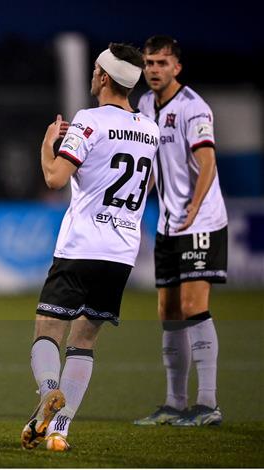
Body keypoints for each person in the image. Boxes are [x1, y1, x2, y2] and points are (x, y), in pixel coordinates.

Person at [21, 43, 159, 452]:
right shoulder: (149, 129)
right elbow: (148, 185)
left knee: (48, 331)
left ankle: (48, 392)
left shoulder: (89, 121)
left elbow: (54, 178)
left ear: (102, 76)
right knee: (85, 342)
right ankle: (58, 431)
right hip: (120, 253)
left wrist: (47, 144)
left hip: (81, 245)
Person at [134, 36, 227, 427]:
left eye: (161, 63)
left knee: (193, 307)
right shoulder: (143, 105)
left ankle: (207, 404)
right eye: (149, 63)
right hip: (168, 224)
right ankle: (174, 403)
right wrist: (137, 205)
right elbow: (152, 164)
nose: (154, 69)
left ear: (177, 67)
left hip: (200, 222)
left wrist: (194, 207)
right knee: (168, 313)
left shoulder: (193, 107)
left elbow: (206, 161)